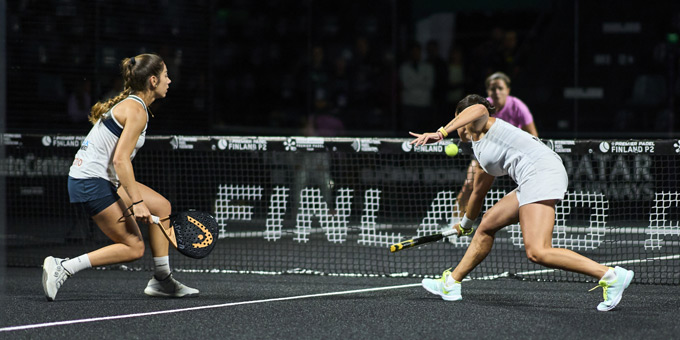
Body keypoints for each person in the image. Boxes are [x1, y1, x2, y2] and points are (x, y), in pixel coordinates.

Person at [409, 94, 634, 311]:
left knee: (537, 251)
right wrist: (465, 225)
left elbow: (478, 109)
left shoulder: (483, 122)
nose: (458, 127)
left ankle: (611, 275)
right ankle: (451, 284)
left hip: (541, 173)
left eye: (458, 119)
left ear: (462, 117)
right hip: (532, 179)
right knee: (487, 224)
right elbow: (478, 191)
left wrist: (441, 133)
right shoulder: (480, 149)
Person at [42, 53, 199, 301]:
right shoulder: (137, 111)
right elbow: (120, 159)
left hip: (98, 178)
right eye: (166, 75)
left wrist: (139, 201)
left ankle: (162, 280)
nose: (170, 80)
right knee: (134, 247)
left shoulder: (135, 106)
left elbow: (117, 161)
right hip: (90, 182)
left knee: (161, 206)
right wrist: (136, 204)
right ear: (153, 81)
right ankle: (64, 266)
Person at [454, 72, 537, 219]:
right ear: (488, 91)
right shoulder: (481, 107)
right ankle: (456, 222)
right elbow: (467, 131)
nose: (496, 92)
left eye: (500, 88)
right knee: (469, 185)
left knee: (530, 186)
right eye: (493, 89)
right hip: (487, 154)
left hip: (513, 155)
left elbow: (533, 135)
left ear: (507, 90)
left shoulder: (518, 106)